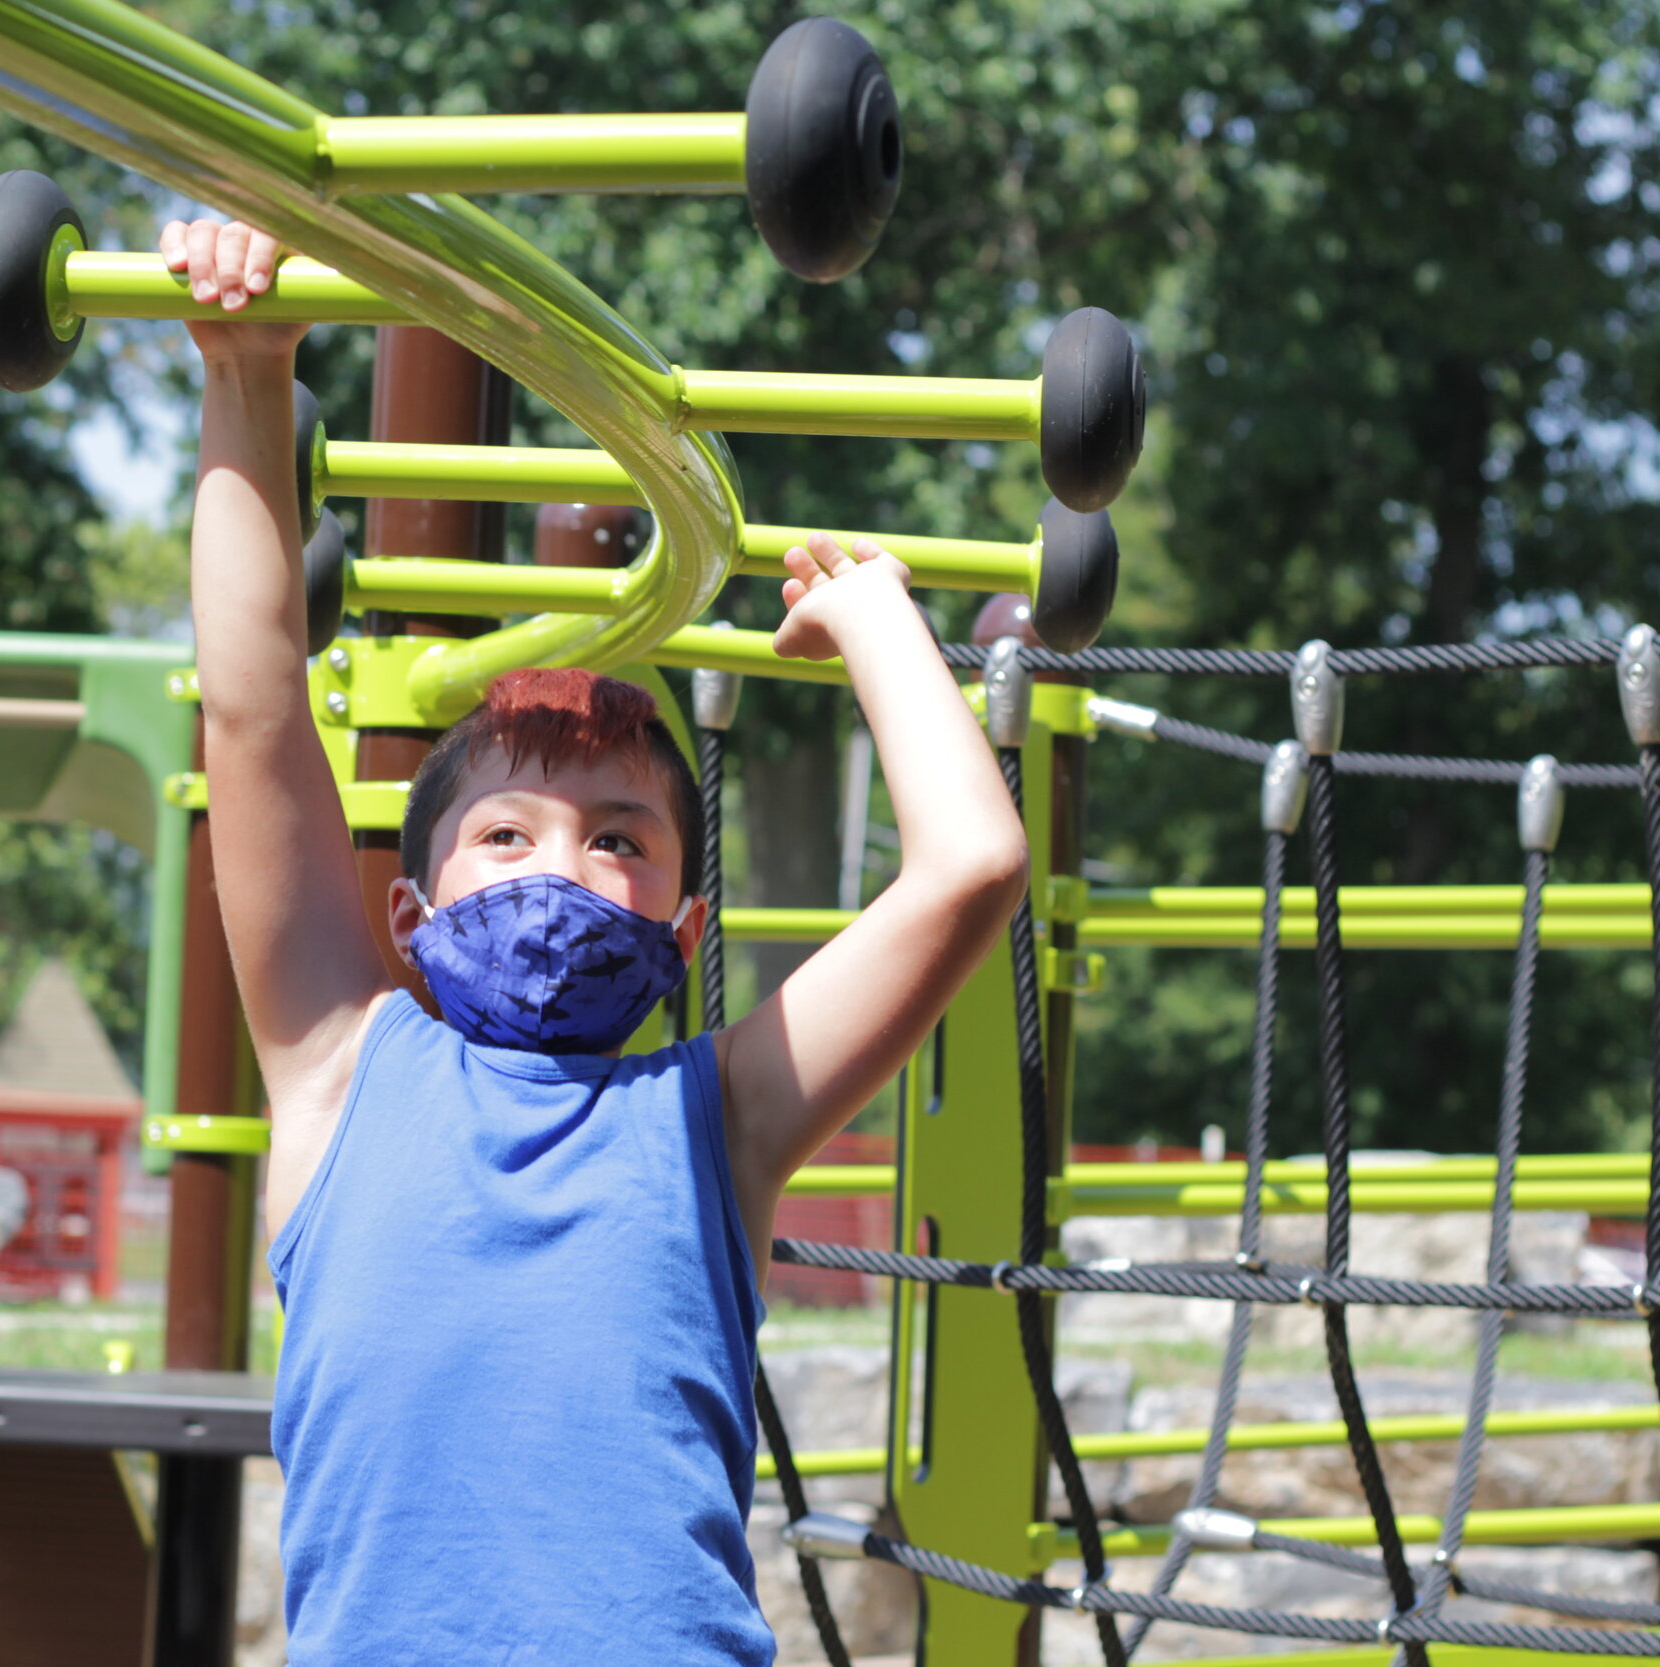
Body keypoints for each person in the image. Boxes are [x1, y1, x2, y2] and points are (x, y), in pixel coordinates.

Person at [167, 213, 1032, 1665]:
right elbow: (255, 706)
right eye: (505, 838)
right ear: (408, 912)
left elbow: (971, 864)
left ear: (687, 929)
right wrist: (247, 374)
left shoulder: (720, 1115)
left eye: (618, 840)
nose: (562, 870)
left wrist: (879, 625)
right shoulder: (337, 1065)